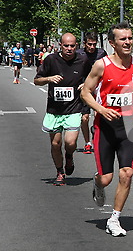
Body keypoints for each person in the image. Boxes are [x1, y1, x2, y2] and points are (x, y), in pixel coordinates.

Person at [81, 22, 133, 237]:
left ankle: (114, 218)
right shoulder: (102, 65)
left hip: (128, 127)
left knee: (127, 173)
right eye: (123, 39)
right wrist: (101, 109)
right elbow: (85, 92)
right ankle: (98, 183)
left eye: (130, 38)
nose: (128, 42)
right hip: (105, 127)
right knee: (106, 178)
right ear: (112, 43)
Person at [34, 33, 91, 186]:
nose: (69, 49)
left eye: (72, 46)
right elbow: (36, 80)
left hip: (74, 108)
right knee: (55, 144)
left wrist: (85, 84)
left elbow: (93, 77)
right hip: (54, 110)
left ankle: (69, 155)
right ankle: (60, 172)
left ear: (76, 46)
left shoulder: (82, 60)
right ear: (60, 45)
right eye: (66, 45)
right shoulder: (51, 60)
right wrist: (48, 79)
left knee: (70, 142)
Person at [77, 32, 108, 154]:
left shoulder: (101, 53)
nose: (91, 47)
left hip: (98, 87)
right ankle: (87, 143)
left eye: (94, 44)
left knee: (98, 114)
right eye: (89, 44)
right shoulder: (79, 54)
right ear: (84, 43)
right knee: (84, 118)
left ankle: (97, 134)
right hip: (84, 87)